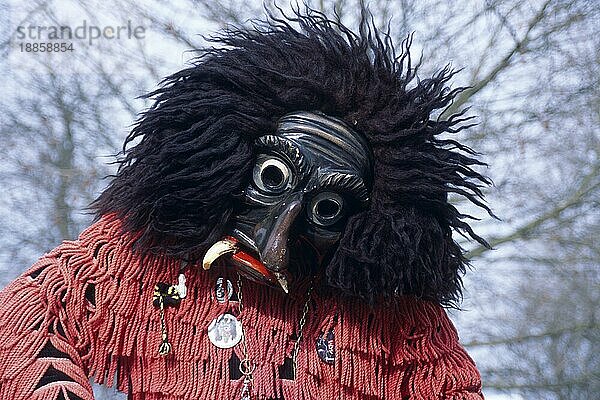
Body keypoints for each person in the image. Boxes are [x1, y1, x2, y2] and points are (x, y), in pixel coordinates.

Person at [0, 7, 492, 400]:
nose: (278, 243)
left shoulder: (394, 325)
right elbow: (29, 316)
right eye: (272, 177)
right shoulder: (136, 262)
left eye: (327, 211)